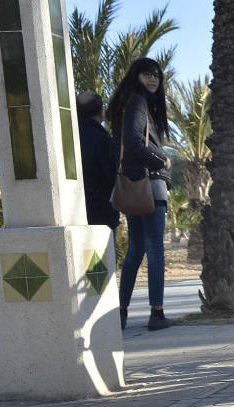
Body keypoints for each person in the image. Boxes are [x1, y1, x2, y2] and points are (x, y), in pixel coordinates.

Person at [106, 57, 173, 331]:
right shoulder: (138, 102)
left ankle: (120, 312)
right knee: (154, 249)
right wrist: (162, 160)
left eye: (156, 75)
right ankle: (156, 314)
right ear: (136, 76)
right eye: (147, 74)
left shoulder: (131, 103)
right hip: (150, 185)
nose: (153, 79)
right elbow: (133, 144)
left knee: (136, 250)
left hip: (135, 184)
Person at [76, 92, 120, 235]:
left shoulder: (67, 137)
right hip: (102, 210)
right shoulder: (103, 139)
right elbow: (112, 175)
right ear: (101, 111)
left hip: (74, 211)